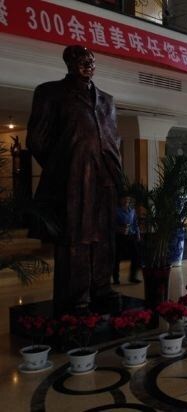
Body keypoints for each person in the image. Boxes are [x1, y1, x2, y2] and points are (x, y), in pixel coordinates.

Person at [27, 45, 124, 315]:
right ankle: (76, 295)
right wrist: (64, 167)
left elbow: (113, 138)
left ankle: (101, 288)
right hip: (72, 179)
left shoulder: (107, 99)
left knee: (104, 237)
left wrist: (117, 176)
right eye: (82, 60)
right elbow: (37, 140)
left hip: (104, 177)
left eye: (91, 61)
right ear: (69, 63)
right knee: (76, 237)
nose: (89, 65)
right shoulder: (50, 93)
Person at [113, 195, 141, 284]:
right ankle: (116, 278)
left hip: (131, 235)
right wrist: (119, 228)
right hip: (119, 236)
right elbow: (112, 224)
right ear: (120, 200)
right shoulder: (116, 211)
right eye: (124, 199)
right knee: (117, 257)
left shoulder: (132, 210)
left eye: (128, 199)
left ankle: (133, 277)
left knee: (136, 255)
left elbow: (135, 223)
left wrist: (138, 234)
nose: (126, 201)